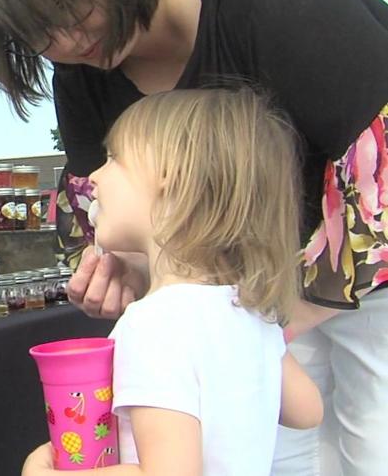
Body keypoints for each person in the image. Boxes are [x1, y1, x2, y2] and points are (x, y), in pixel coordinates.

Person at [0, 0, 388, 473]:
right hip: (256, 290)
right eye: (37, 34)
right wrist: (132, 268)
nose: (65, 42)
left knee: (374, 443)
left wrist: (262, 310)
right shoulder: (81, 73)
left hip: (352, 275)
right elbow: (304, 412)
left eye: (68, 6)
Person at [22, 88, 322, 476]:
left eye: (113, 158)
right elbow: (308, 410)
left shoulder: (154, 322)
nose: (94, 175)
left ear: (170, 175)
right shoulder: (249, 310)